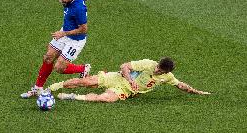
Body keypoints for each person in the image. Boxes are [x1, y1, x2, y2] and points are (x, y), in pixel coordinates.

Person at [21, 0, 95, 98]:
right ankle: (38, 88)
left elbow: (83, 29)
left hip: (76, 40)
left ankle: (83, 68)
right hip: (64, 31)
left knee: (59, 68)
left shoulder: (78, 9)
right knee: (48, 57)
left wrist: (63, 33)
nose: (60, 0)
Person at [49, 57, 211, 102]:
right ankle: (53, 87)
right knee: (85, 82)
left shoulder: (168, 77)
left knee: (106, 99)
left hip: (126, 90)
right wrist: (130, 78)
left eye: (160, 70)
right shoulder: (148, 63)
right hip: (117, 78)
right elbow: (124, 66)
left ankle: (72, 97)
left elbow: (180, 85)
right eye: (157, 66)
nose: (156, 69)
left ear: (166, 72)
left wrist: (197, 91)